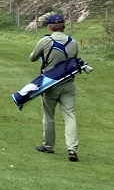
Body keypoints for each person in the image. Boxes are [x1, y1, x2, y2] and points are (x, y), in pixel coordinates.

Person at [29, 13, 80, 161]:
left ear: (49, 27)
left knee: (49, 115)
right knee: (70, 116)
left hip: (50, 83)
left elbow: (32, 57)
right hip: (69, 83)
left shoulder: (46, 40)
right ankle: (72, 148)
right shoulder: (73, 42)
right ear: (63, 26)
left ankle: (48, 145)